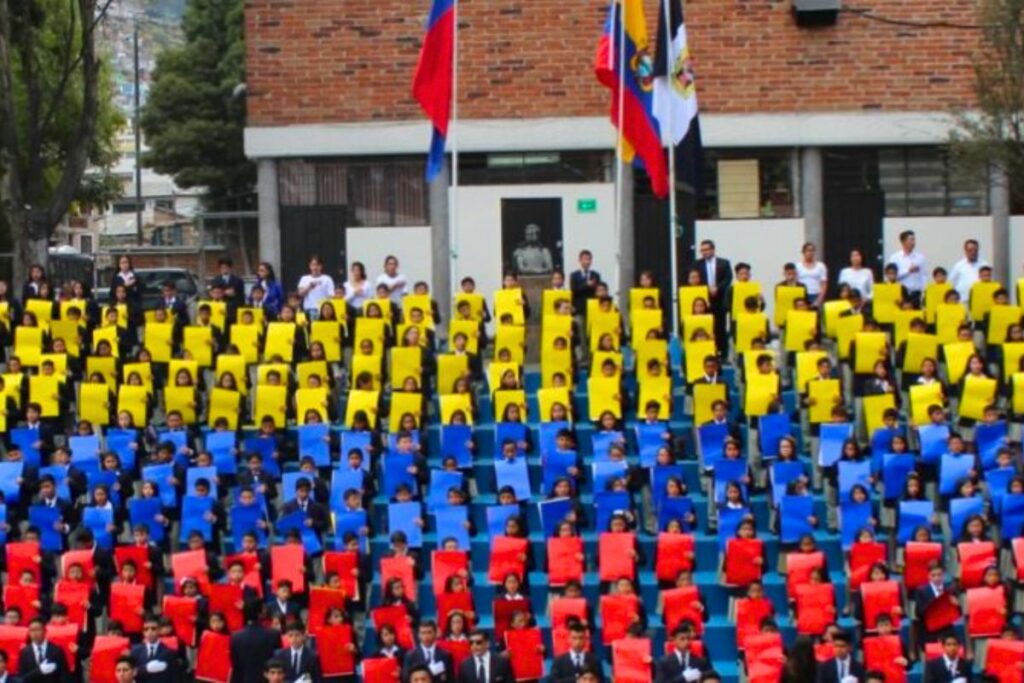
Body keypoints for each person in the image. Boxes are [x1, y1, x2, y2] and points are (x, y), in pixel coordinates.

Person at [690, 239, 732, 348]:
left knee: (720, 326)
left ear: (713, 249)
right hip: (704, 299)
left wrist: (717, 288)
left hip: (720, 298)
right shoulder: (697, 264)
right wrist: (707, 288)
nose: (704, 252)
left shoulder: (724, 263)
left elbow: (728, 278)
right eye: (702, 250)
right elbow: (695, 279)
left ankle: (721, 351)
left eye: (706, 249)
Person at [230, 605, 283, 683]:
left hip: (244, 679)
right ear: (260, 614)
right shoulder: (273, 634)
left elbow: (235, 663)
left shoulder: (236, 636)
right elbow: (277, 661)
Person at [129, 614, 180, 682]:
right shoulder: (135, 650)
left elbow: (175, 677)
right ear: (143, 632)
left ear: (159, 630)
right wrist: (145, 669)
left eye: (153, 629)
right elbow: (130, 673)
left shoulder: (169, 653)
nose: (149, 632)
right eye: (146, 629)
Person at [17, 617, 66, 682]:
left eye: (38, 629)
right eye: (32, 630)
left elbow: (64, 675)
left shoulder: (56, 650)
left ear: (45, 630)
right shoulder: (24, 652)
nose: (35, 633)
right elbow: (22, 678)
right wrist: (39, 671)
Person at [888, 230, 927, 306]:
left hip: (916, 293)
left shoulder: (920, 257)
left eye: (914, 239)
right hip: (901, 293)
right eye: (911, 239)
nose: (914, 242)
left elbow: (924, 275)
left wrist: (924, 291)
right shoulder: (895, 257)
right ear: (903, 241)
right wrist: (908, 271)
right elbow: (892, 276)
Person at [796, 242, 828, 308]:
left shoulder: (821, 266)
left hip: (816, 295)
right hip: (802, 295)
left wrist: (819, 300)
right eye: (808, 250)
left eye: (812, 250)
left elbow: (824, 284)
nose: (810, 253)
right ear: (803, 252)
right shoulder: (797, 266)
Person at [569, 250, 600, 315]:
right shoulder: (574, 275)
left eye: (589, 259)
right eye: (585, 259)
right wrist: (586, 285)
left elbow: (598, 291)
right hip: (579, 309)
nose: (588, 261)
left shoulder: (596, 275)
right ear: (580, 260)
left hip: (593, 308)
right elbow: (573, 291)